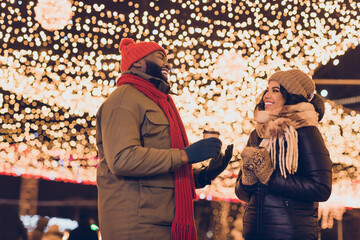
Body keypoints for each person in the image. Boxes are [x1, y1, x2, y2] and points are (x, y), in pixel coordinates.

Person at [96, 38, 233, 240]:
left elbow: (157, 170)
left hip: (160, 221)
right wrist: (185, 156)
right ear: (137, 62)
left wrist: (202, 176)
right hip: (134, 225)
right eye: (161, 57)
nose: (167, 64)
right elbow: (122, 159)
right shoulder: (124, 100)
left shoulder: (159, 102)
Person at [235, 69, 332, 240]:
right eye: (267, 89)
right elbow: (243, 195)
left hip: (291, 234)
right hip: (255, 234)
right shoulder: (257, 133)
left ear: (291, 95)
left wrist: (269, 176)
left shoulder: (305, 131)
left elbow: (321, 188)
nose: (266, 95)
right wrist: (247, 180)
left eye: (275, 90)